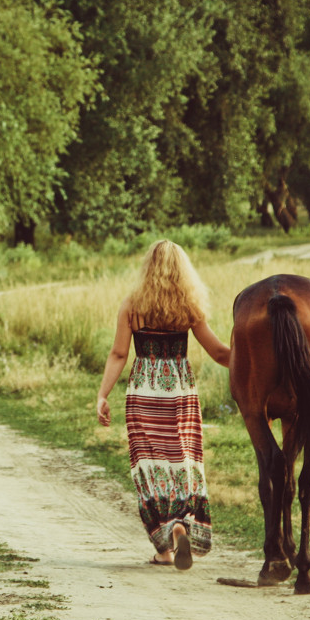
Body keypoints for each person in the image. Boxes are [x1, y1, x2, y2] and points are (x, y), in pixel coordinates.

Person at [96, 239, 232, 570]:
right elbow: (219, 353)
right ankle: (182, 523)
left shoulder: (132, 305)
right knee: (183, 461)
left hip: (144, 392)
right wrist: (260, 361)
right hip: (180, 394)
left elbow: (118, 354)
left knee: (150, 464)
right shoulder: (189, 305)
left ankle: (164, 549)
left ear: (148, 268)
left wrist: (102, 395)